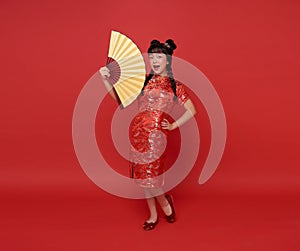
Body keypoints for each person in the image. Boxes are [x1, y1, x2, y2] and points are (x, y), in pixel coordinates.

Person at [99, 39, 196, 231]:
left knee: (152, 177)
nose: (155, 60)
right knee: (143, 179)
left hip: (156, 137)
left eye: (159, 57)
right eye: (152, 57)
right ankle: (153, 215)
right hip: (137, 135)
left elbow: (192, 109)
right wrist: (105, 79)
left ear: (167, 60)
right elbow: (120, 99)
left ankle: (165, 204)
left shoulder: (174, 85)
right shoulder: (142, 81)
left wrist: (174, 124)